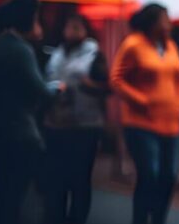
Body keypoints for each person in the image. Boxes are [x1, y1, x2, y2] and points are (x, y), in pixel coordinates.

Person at [110, 3, 179, 224]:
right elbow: (117, 79)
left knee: (170, 175)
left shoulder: (170, 46)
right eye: (165, 18)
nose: (169, 23)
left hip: (171, 123)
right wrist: (142, 100)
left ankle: (159, 218)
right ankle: (141, 218)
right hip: (141, 122)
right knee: (149, 174)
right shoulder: (133, 45)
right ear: (153, 22)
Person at [0, 0, 64, 224]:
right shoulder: (20, 50)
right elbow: (41, 91)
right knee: (13, 195)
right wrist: (57, 88)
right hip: (21, 132)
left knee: (2, 190)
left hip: (0, 128)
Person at [43, 12, 110, 224]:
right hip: (56, 123)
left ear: (85, 30)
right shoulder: (57, 52)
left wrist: (88, 85)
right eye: (69, 26)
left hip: (85, 125)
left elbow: (107, 87)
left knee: (80, 178)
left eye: (76, 27)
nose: (71, 31)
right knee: (56, 177)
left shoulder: (94, 54)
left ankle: (76, 219)